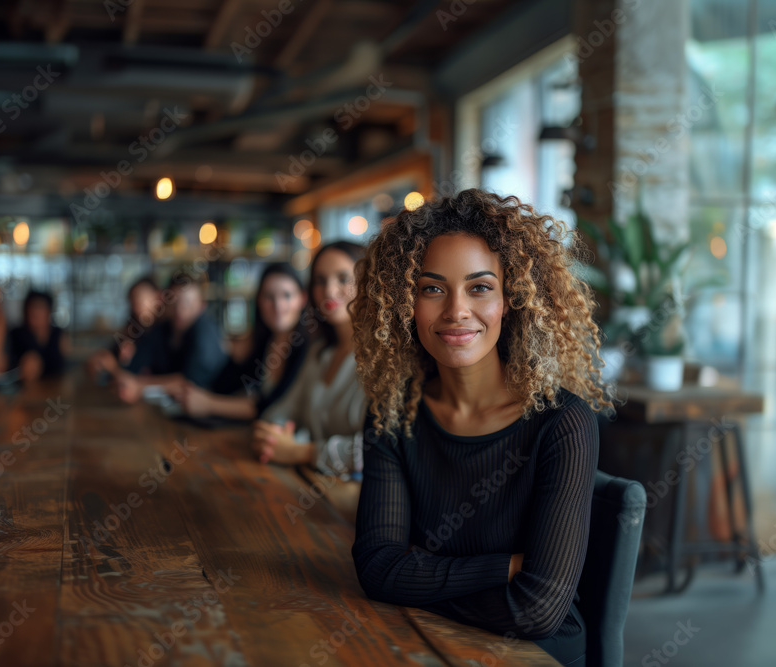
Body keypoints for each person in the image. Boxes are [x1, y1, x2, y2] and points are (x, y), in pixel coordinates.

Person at [350, 189, 610, 666]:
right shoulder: (393, 412)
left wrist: (414, 581)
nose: (455, 311)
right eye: (432, 288)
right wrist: (505, 568)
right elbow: (376, 568)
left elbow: (538, 612)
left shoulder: (563, 422)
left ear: (511, 298)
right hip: (426, 639)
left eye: (479, 287)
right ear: (406, 303)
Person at [250, 242, 368, 479]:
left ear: (368, 282)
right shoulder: (319, 353)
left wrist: (301, 451)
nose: (329, 290)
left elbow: (381, 448)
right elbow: (280, 412)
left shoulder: (386, 358)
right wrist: (271, 435)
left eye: (343, 278)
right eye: (320, 280)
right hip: (312, 487)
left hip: (358, 504)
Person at [168, 263, 310, 422]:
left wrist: (208, 403)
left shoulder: (307, 348)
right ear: (259, 301)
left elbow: (268, 407)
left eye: (287, 295)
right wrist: (234, 357)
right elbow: (225, 386)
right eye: (269, 296)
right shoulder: (263, 340)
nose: (278, 305)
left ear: (302, 298)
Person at [115, 271, 226, 402]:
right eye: (175, 302)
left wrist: (140, 385)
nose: (180, 310)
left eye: (187, 303)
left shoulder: (205, 333)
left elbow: (189, 384)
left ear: (202, 305)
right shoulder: (162, 329)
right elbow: (132, 370)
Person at [87, 275, 161, 381]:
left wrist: (114, 368)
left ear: (158, 297)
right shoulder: (132, 330)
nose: (136, 304)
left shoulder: (162, 332)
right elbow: (110, 354)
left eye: (141, 297)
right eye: (133, 299)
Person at [9, 290, 68, 381]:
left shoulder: (58, 334)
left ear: (49, 311)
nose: (35, 312)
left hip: (54, 387)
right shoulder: (17, 334)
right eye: (32, 307)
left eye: (40, 307)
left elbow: (66, 365)